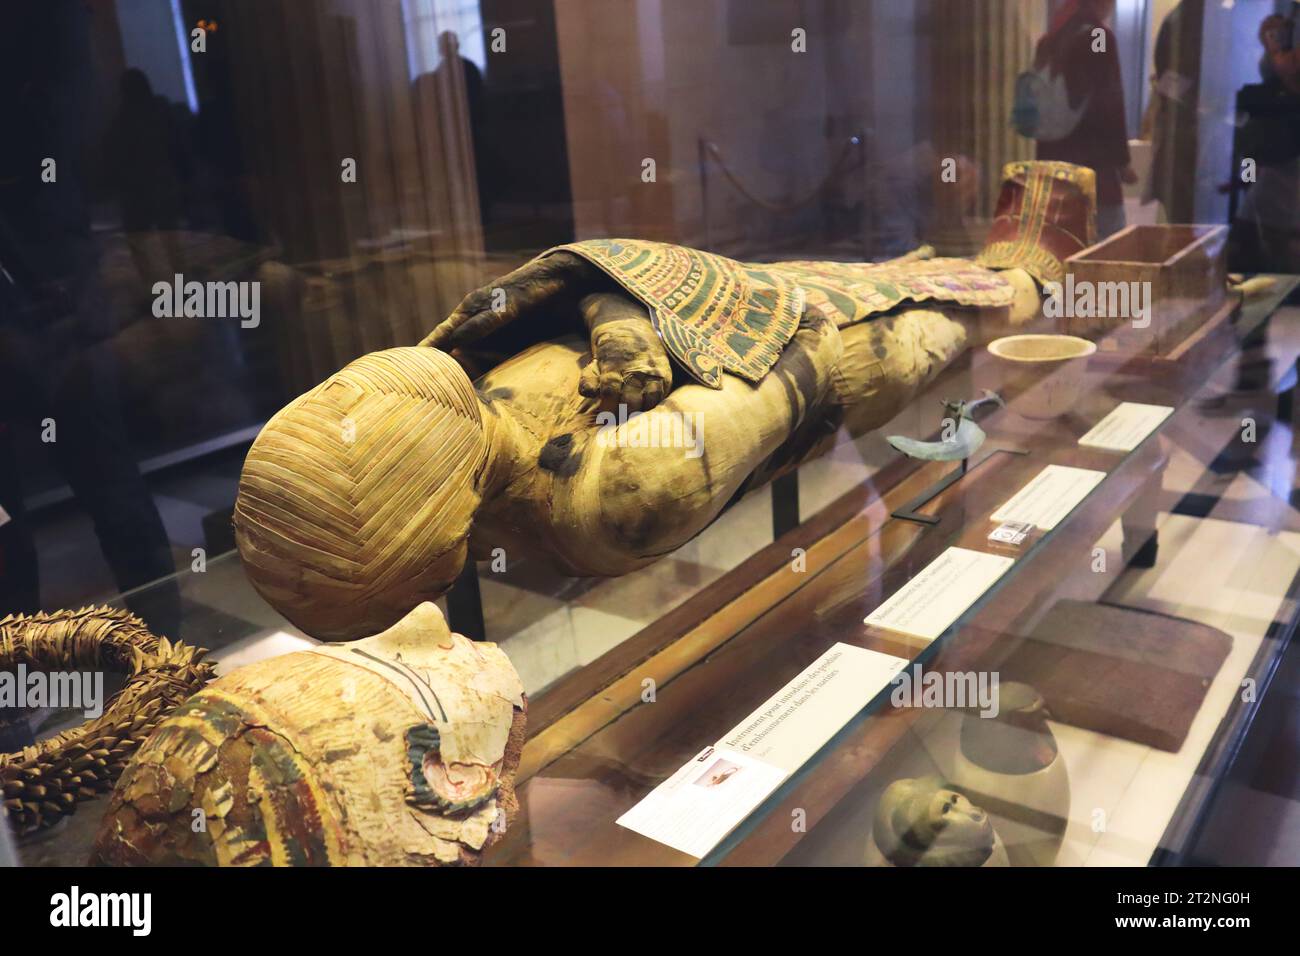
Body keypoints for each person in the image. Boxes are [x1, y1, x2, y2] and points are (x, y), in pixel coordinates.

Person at [233, 163, 1105, 642]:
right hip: (830, 350)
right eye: (383, 427)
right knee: (962, 305)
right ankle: (1030, 273)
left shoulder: (461, 400)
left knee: (898, 277)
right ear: (422, 507)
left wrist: (618, 314)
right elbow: (786, 384)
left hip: (725, 308)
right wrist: (673, 315)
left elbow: (571, 288)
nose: (387, 380)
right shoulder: (616, 496)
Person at [1033, 0, 1136, 237]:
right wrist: (1122, 161)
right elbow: (1110, 103)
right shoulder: (1099, 36)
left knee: (1062, 246)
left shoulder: (1049, 41)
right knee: (1107, 249)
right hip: (1095, 168)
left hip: (1055, 167)